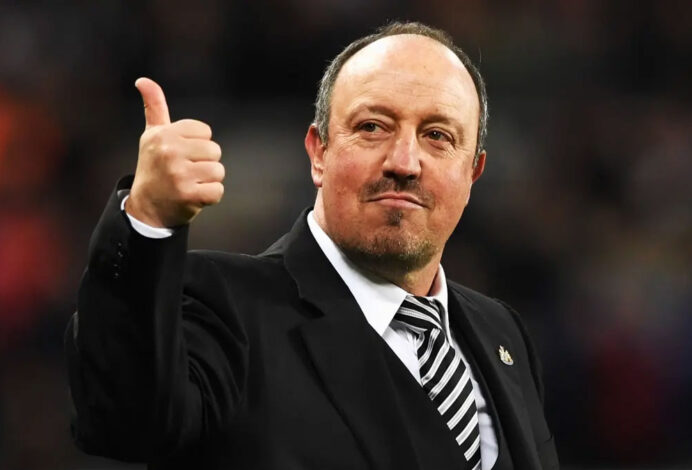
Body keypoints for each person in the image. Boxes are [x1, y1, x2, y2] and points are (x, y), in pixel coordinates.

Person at [65, 22, 558, 470]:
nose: (405, 162)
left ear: (473, 172)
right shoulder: (221, 305)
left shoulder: (502, 333)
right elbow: (125, 421)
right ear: (319, 152)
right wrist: (148, 219)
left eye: (437, 135)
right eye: (372, 127)